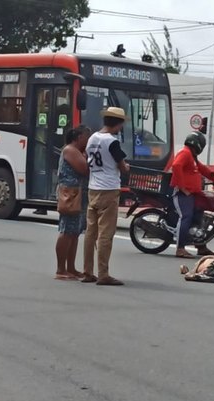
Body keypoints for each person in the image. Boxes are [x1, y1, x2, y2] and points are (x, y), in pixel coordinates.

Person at [82, 107, 131, 286]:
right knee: (105, 234)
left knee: (90, 233)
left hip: (93, 188)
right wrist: (127, 168)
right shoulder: (112, 142)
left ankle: (87, 271)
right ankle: (103, 273)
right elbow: (122, 166)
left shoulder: (92, 139)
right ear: (117, 124)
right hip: (109, 189)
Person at [170, 131, 214, 259]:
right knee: (186, 216)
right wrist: (182, 187)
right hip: (183, 194)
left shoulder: (192, 157)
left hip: (193, 194)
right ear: (198, 144)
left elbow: (203, 169)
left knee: (199, 218)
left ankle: (201, 246)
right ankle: (180, 248)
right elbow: (176, 165)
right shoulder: (185, 153)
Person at [54, 126, 91, 280]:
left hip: (78, 193)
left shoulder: (78, 151)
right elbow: (84, 169)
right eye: (86, 137)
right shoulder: (70, 150)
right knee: (66, 230)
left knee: (75, 232)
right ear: (78, 137)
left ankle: (71, 267)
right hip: (70, 194)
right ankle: (60, 269)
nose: (88, 140)